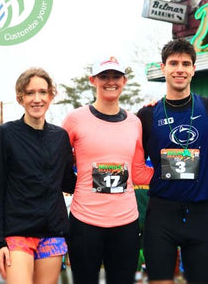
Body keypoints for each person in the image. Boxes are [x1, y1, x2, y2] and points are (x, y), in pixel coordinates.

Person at [137, 38, 208, 284]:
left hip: (200, 215)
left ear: (193, 69)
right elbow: (133, 160)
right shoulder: (146, 114)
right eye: (173, 63)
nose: (180, 69)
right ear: (163, 68)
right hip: (161, 215)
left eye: (186, 64)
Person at [62, 56, 154, 284]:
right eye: (104, 76)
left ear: (124, 81)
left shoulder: (134, 122)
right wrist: (79, 187)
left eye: (116, 76)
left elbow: (139, 171)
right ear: (93, 80)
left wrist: (185, 174)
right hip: (85, 222)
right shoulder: (75, 119)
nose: (110, 81)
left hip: (126, 223)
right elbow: (58, 165)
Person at [0, 67, 76, 283]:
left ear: (51, 96)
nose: (37, 99)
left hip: (52, 232)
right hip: (17, 233)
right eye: (30, 93)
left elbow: (67, 182)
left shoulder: (60, 136)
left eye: (43, 92)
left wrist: (99, 171)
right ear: (20, 98)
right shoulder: (5, 134)